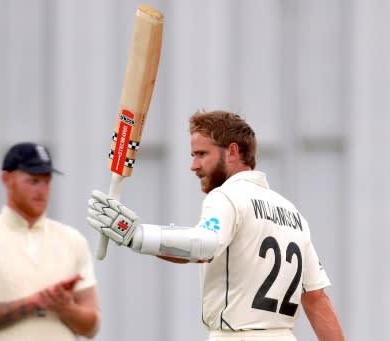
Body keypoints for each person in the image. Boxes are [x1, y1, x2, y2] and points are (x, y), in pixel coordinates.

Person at [87, 110, 345, 341]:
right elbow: (316, 299)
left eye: (202, 154)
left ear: (232, 152)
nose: (194, 165)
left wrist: (136, 235)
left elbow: (203, 246)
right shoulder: (292, 213)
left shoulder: (226, 197)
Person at [0, 142, 100, 340]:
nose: (42, 190)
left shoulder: (73, 240)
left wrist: (66, 308)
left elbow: (92, 327)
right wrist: (34, 303)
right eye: (33, 180)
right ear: (7, 179)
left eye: (47, 181)